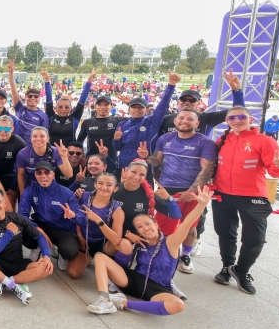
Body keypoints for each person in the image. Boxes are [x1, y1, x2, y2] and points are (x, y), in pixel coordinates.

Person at [86, 186, 213, 315]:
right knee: (100, 257)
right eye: (140, 227)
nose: (145, 229)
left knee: (178, 305)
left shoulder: (170, 242)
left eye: (148, 224)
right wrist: (127, 235)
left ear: (156, 224)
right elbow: (117, 247)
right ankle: (104, 299)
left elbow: (186, 224)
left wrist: (201, 205)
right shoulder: (139, 243)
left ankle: (124, 304)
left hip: (157, 288)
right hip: (133, 281)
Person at [212, 106, 279, 294]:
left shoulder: (265, 141)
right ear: (227, 121)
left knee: (255, 240)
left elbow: (275, 171)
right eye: (231, 118)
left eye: (241, 117)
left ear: (251, 119)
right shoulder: (221, 140)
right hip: (222, 194)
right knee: (225, 233)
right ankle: (227, 267)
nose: (237, 120)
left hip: (253, 196)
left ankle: (241, 271)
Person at [139, 108, 217, 275]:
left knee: (189, 226)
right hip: (167, 189)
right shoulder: (165, 138)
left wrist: (192, 191)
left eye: (190, 119)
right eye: (181, 118)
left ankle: (185, 255)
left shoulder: (205, 142)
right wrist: (146, 157)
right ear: (175, 121)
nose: (184, 121)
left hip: (192, 190)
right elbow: (157, 161)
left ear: (197, 123)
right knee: (161, 225)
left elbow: (208, 170)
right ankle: (159, 253)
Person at [0, 187, 53, 304]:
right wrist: (9, 233)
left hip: (17, 263)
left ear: (5, 202)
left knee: (46, 269)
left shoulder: (17, 218)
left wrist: (46, 256)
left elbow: (39, 236)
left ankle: (3, 282)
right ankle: (14, 286)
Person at [18, 161, 86, 273]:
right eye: (39, 173)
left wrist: (73, 216)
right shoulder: (30, 190)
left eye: (47, 172)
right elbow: (22, 215)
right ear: (35, 175)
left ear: (53, 174)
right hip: (41, 225)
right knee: (21, 230)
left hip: (62, 229)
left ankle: (61, 254)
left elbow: (82, 218)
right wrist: (37, 229)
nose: (43, 176)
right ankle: (37, 247)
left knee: (70, 251)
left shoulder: (66, 193)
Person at [113, 70, 179, 182]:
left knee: (144, 198)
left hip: (143, 168)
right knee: (121, 197)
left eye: (140, 107)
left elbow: (163, 106)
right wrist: (116, 140)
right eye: (134, 107)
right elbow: (117, 148)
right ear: (129, 109)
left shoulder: (152, 122)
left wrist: (171, 85)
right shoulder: (122, 124)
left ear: (147, 110)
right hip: (124, 167)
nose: (137, 110)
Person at [67, 173, 124, 279]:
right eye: (101, 183)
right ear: (95, 185)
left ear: (115, 188)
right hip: (85, 240)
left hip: (104, 244)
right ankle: (87, 256)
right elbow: (76, 217)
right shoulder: (83, 196)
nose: (104, 187)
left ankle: (112, 261)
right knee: (73, 273)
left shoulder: (117, 210)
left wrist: (98, 220)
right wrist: (79, 236)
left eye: (109, 185)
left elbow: (116, 240)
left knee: (122, 244)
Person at [16, 127, 72, 199]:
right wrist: (22, 193)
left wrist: (64, 157)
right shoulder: (23, 153)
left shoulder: (56, 152)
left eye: (42, 136)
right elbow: (21, 175)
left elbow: (69, 175)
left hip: (49, 186)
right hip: (30, 187)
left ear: (48, 139)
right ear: (31, 138)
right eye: (35, 136)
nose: (38, 139)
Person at [44, 70, 95, 147]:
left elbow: (82, 99)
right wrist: (47, 81)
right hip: (52, 154)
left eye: (66, 107)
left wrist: (89, 81)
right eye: (60, 107)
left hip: (70, 154)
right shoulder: (51, 116)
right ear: (56, 108)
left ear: (71, 108)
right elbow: (49, 98)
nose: (63, 109)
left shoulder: (75, 117)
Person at [77, 95, 123, 173]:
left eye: (106, 105)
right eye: (100, 104)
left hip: (110, 162)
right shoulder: (87, 122)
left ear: (111, 106)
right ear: (95, 106)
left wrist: (129, 103)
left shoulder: (118, 121)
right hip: (92, 162)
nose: (103, 107)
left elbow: (139, 120)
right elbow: (79, 141)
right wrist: (81, 155)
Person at [8, 60, 49, 143]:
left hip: (32, 149)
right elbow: (14, 91)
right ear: (25, 98)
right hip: (16, 146)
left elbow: (44, 136)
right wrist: (11, 73)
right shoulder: (20, 108)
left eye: (35, 96)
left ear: (39, 99)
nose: (33, 98)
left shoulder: (43, 116)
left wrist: (47, 80)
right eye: (30, 96)